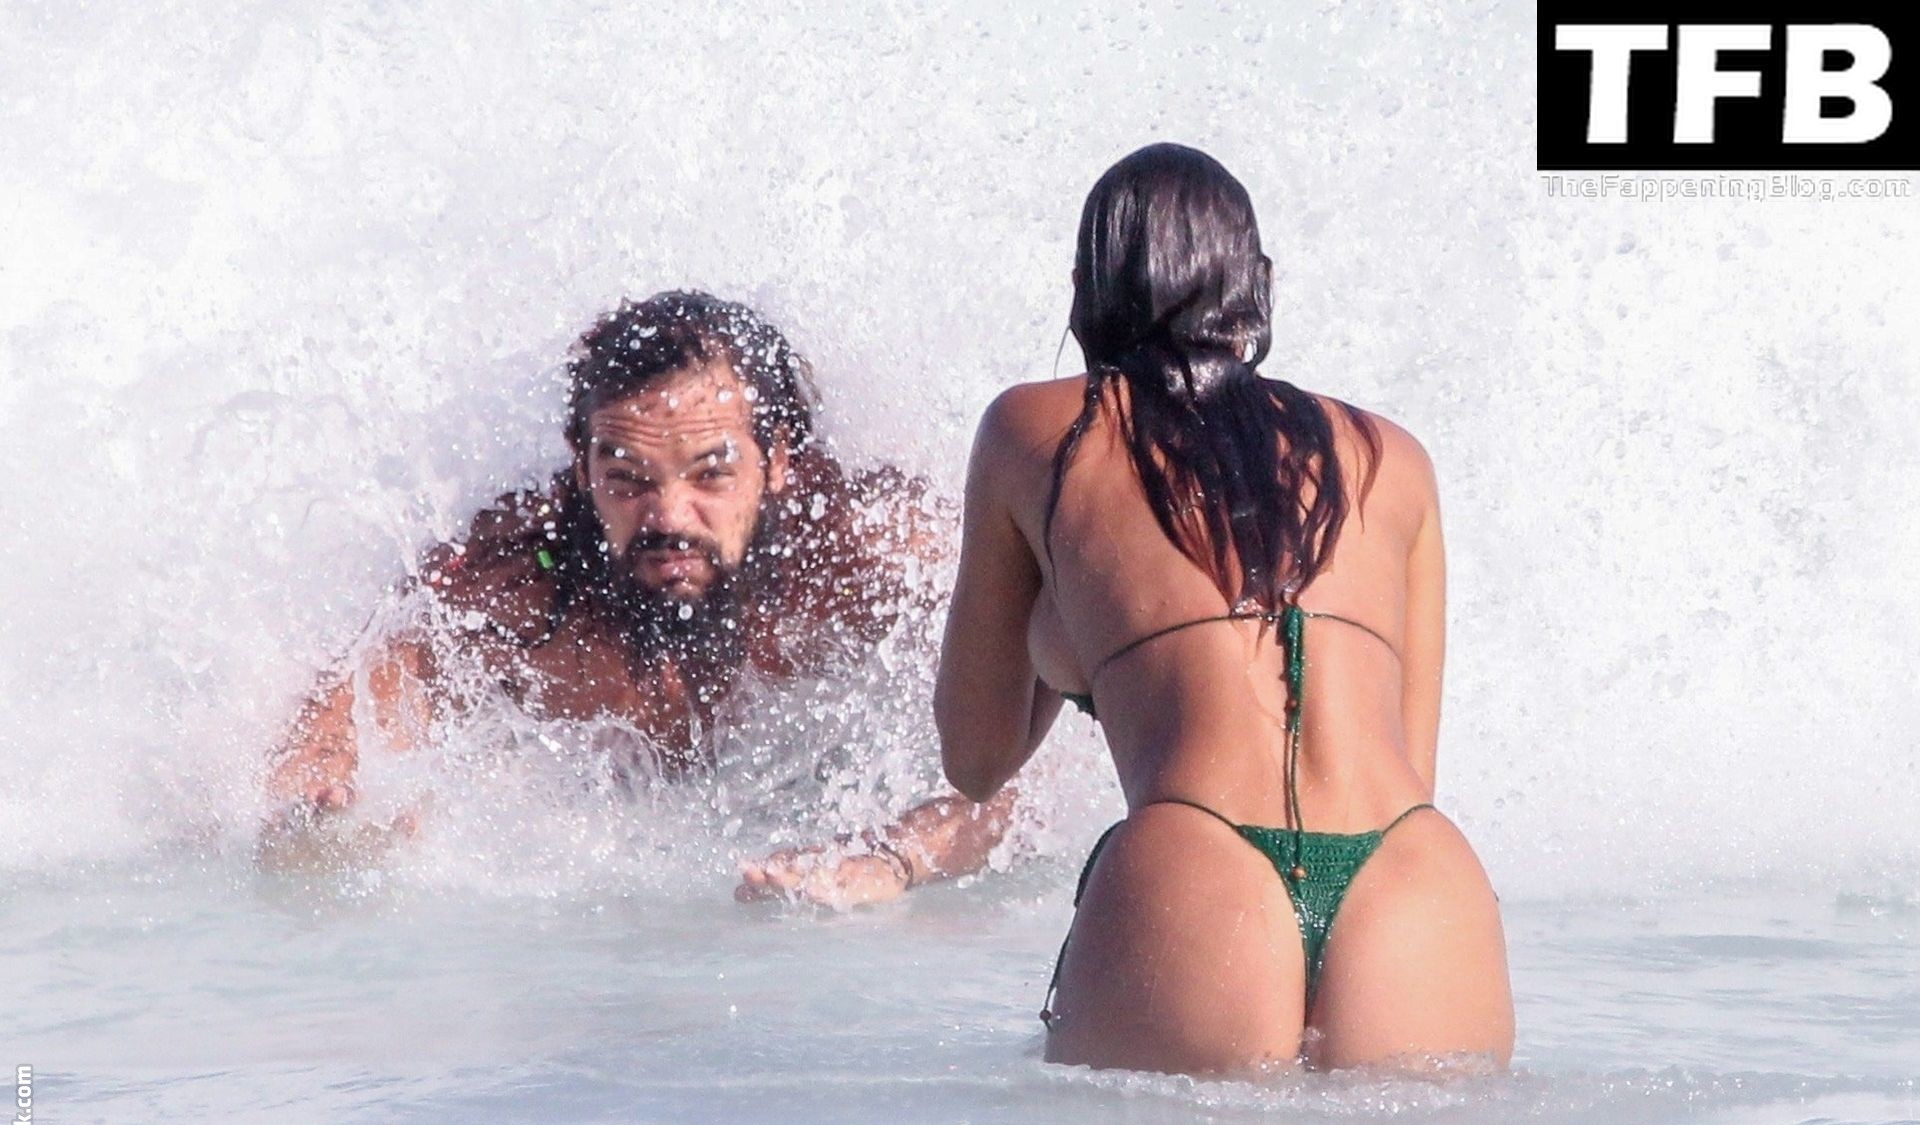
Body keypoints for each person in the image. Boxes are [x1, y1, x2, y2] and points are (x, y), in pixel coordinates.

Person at [934, 144, 1512, 1074]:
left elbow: (976, 758)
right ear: (1258, 286)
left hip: (1196, 868)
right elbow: (1412, 761)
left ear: (1086, 288)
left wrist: (1058, 625)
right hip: (1415, 877)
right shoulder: (1394, 456)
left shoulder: (1033, 429)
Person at [266, 290, 1010, 904]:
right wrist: (321, 823)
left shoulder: (864, 553)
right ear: (582, 466)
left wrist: (894, 857)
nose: (668, 518)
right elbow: (341, 717)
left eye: (711, 474)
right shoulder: (520, 578)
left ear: (778, 461)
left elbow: (1041, 777)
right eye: (627, 478)